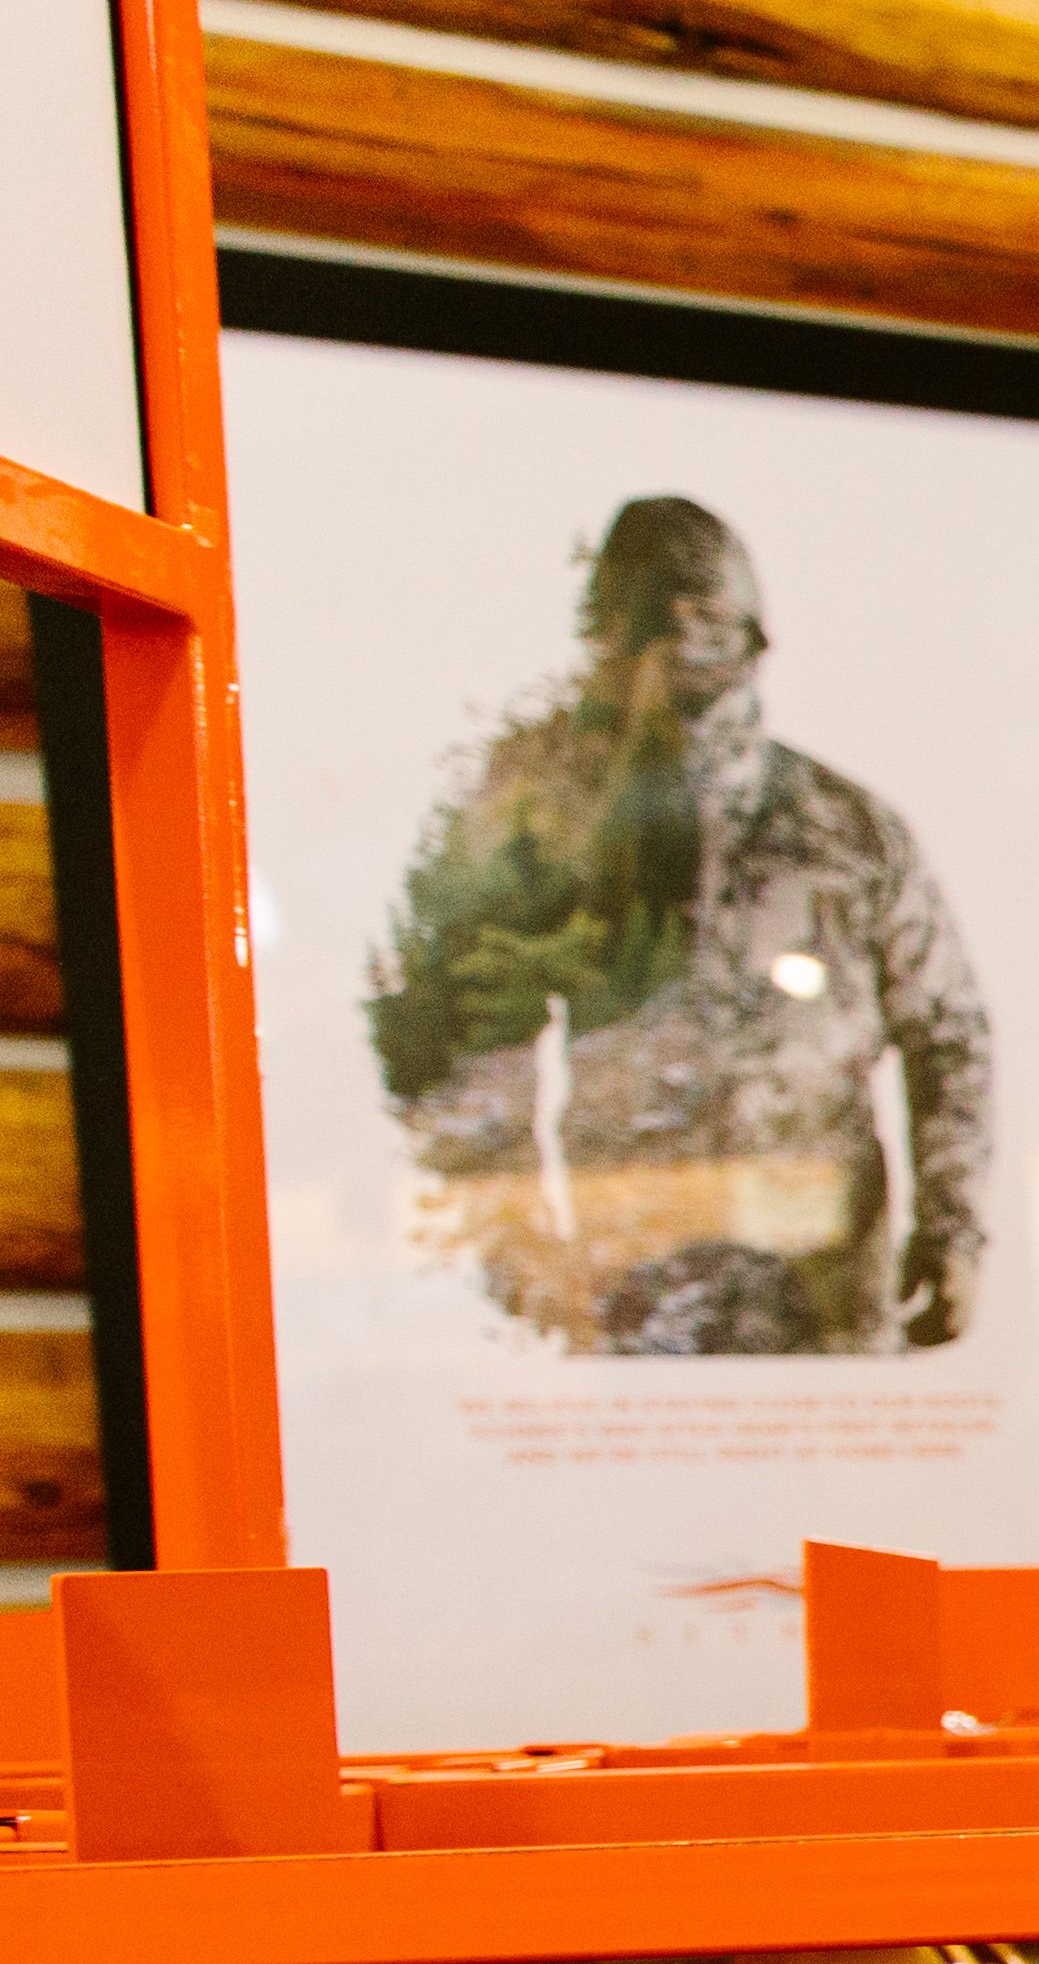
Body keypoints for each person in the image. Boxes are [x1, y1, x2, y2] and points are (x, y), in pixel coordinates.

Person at [365, 495, 991, 1356]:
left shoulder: (849, 831)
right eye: (657, 620)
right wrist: (519, 1254)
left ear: (755, 635)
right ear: (610, 636)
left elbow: (948, 1033)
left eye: (709, 616)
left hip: (827, 1311)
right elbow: (475, 1047)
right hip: (630, 1312)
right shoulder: (553, 832)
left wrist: (955, 1229)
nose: (686, 643)